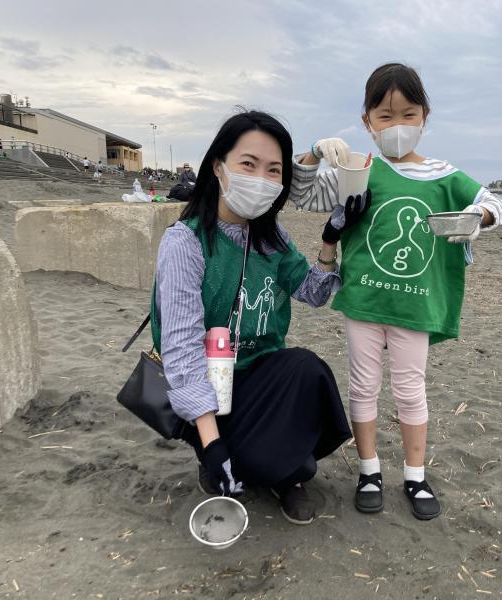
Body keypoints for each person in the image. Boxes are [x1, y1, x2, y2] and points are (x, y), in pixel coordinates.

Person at [290, 63, 502, 520]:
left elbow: (492, 202)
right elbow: (302, 196)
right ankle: (369, 470)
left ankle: (414, 474)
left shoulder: (445, 175)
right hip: (364, 300)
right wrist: (312, 154)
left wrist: (478, 219)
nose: (397, 126)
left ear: (425, 116)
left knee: (411, 389)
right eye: (384, 116)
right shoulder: (358, 170)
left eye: (408, 114)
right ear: (367, 121)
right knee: (364, 385)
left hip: (416, 304)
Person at [154, 110, 367, 524]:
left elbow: (313, 292)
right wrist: (211, 443)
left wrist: (331, 238)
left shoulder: (271, 237)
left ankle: (284, 472)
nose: (261, 179)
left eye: (274, 171)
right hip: (208, 386)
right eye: (248, 165)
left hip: (260, 376)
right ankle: (226, 453)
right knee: (245, 461)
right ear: (218, 166)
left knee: (305, 368)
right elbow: (180, 352)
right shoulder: (185, 242)